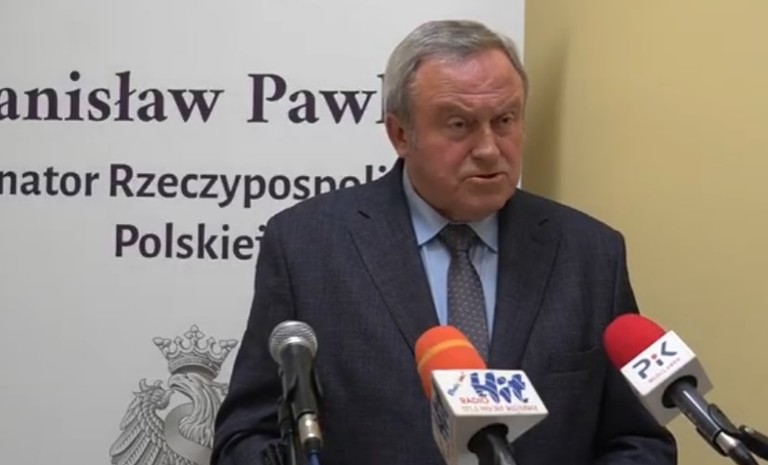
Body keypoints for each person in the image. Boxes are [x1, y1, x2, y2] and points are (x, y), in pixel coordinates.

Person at [212, 19, 677, 465]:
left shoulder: (590, 255)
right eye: (459, 124)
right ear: (400, 134)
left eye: (505, 120)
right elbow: (247, 435)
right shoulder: (307, 248)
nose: (489, 149)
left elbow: (638, 440)